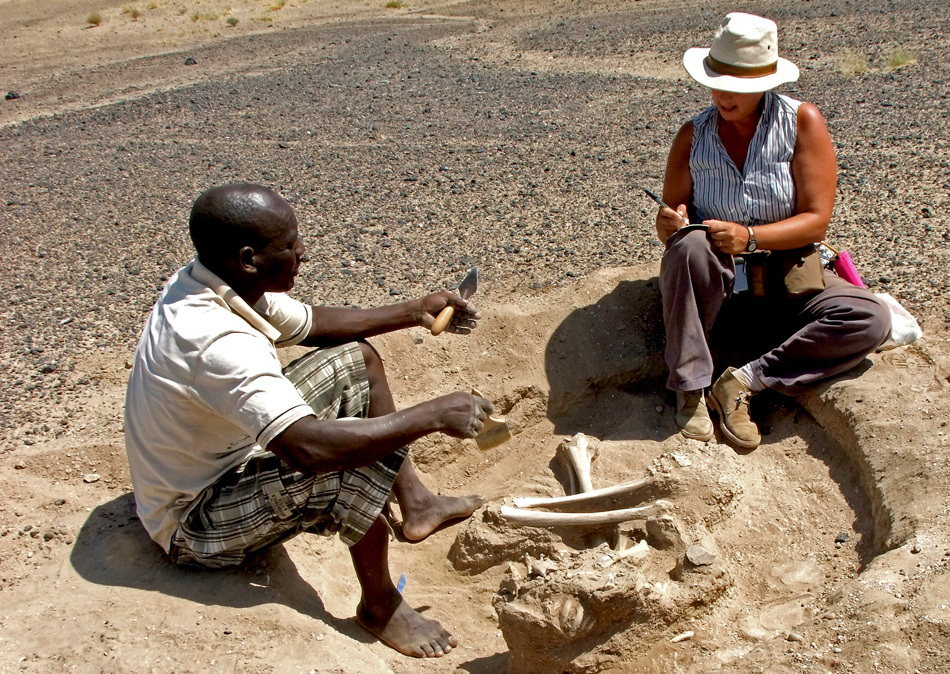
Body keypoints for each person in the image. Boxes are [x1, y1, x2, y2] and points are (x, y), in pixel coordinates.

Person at [124, 183, 494, 658]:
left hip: (227, 454)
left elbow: (314, 324)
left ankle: (416, 503)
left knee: (357, 359)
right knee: (346, 460)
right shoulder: (215, 342)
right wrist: (433, 414)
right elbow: (307, 450)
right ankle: (380, 605)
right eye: (291, 243)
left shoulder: (221, 282)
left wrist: (414, 311)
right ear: (248, 258)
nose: (303, 251)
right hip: (194, 520)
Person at [655, 13, 890, 449]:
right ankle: (689, 388)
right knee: (688, 245)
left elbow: (817, 219)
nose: (725, 94)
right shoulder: (693, 135)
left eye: (739, 84)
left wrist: (752, 236)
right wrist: (669, 223)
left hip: (786, 281)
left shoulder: (801, 122)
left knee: (870, 318)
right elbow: (670, 219)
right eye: (718, 80)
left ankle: (743, 381)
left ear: (765, 82)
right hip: (719, 289)